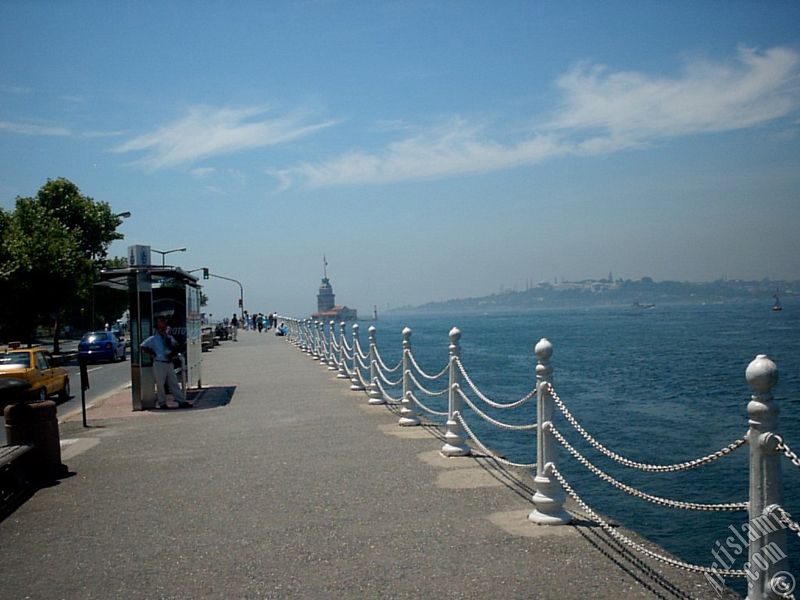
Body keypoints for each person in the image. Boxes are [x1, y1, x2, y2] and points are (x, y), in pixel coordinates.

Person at [140, 315, 192, 409]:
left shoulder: (169, 338)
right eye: (160, 328)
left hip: (168, 362)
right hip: (159, 362)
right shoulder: (153, 339)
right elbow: (142, 346)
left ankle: (181, 401)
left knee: (174, 383)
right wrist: (152, 353)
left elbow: (175, 346)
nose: (162, 329)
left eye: (164, 327)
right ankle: (162, 402)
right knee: (160, 384)